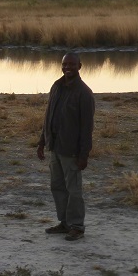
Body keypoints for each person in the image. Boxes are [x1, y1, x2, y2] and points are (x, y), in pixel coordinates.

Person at [37, 52, 95, 241]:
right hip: (55, 147)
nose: (67, 67)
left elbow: (87, 128)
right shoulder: (57, 86)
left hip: (71, 151)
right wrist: (42, 141)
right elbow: (48, 116)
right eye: (64, 64)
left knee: (74, 190)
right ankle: (64, 223)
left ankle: (77, 226)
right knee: (57, 187)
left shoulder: (84, 93)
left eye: (71, 64)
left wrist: (83, 155)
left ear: (80, 66)